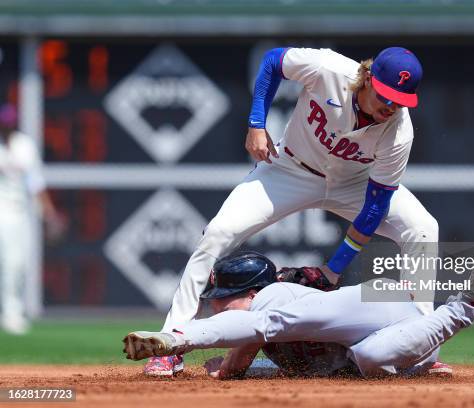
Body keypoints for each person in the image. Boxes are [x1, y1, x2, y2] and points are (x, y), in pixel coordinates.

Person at [144, 46, 440, 376]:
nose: (392, 105)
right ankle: (172, 342)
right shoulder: (329, 69)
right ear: (369, 79)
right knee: (218, 233)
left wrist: (334, 268)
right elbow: (273, 61)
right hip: (289, 170)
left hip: (353, 182)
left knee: (423, 228)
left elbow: (375, 206)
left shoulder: (399, 131)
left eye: (400, 99)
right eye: (386, 95)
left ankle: (421, 342)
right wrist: (257, 123)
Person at [126, 246, 474, 379]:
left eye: (224, 298)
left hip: (387, 313)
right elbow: (242, 365)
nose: (216, 305)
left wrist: (177, 340)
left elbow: (250, 332)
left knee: (370, 358)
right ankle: (424, 367)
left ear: (253, 292)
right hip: (379, 338)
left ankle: (466, 302)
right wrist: (231, 368)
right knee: (356, 362)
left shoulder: (271, 300)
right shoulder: (269, 317)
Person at [0, 103, 65, 335]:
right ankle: (10, 312)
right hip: (1, 210)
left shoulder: (24, 146)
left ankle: (12, 313)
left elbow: (35, 183)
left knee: (17, 263)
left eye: (8, 123)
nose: (6, 127)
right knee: (6, 262)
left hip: (20, 212)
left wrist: (49, 215)